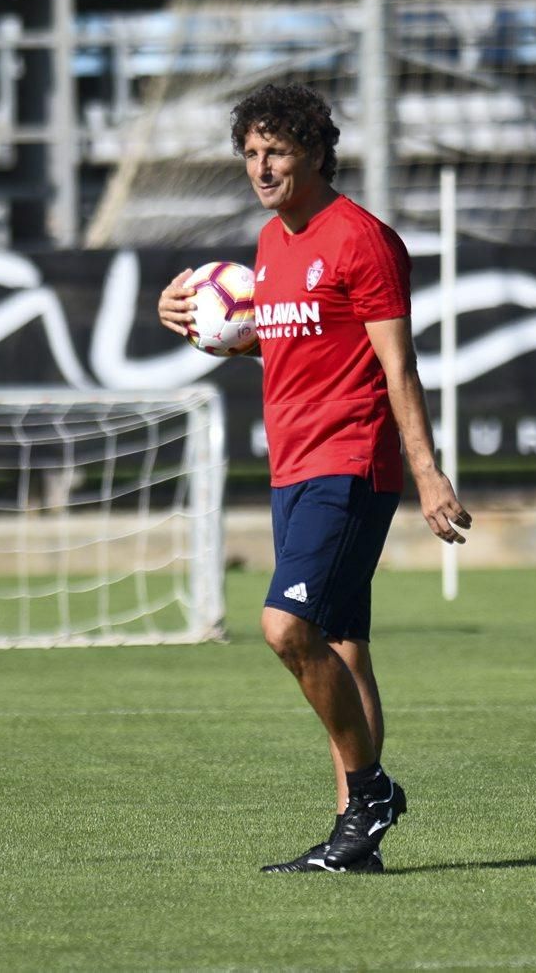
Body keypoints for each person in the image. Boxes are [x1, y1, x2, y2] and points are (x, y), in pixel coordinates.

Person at [157, 81, 471, 874]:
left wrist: (429, 473)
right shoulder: (270, 245)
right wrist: (214, 329)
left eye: (279, 152)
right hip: (293, 465)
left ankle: (370, 793)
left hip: (352, 460)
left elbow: (399, 368)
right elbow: (296, 338)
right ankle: (354, 839)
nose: (262, 168)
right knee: (344, 647)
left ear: (317, 153)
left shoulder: (362, 240)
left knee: (283, 628)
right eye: (252, 154)